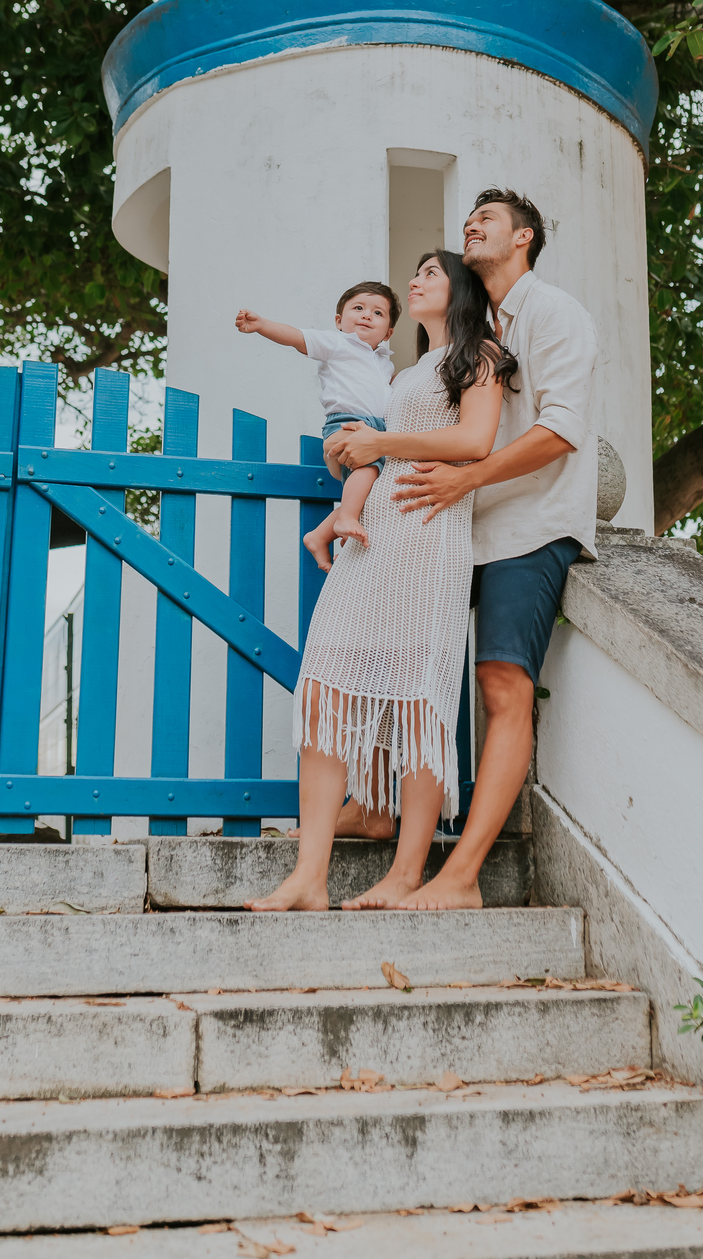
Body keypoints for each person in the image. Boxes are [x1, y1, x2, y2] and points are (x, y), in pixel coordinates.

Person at [328, 188, 598, 911]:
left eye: (489, 220)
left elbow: (562, 429)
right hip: (453, 526)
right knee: (398, 659)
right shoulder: (466, 334)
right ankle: (374, 801)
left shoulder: (553, 314)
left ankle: (462, 875)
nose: (471, 226)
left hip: (527, 524)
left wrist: (467, 478)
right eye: (468, 219)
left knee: (502, 685)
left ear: (525, 238)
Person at [245, 250, 514, 912]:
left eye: (430, 271)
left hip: (429, 530)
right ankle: (309, 876)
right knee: (327, 688)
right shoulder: (407, 368)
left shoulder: (478, 353)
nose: (416, 279)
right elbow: (379, 439)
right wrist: (359, 445)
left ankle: (404, 876)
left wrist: (380, 444)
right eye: (416, 271)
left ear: (457, 290)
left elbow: (476, 441)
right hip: (378, 533)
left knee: (419, 701)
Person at [235, 281, 401, 572]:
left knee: (371, 490)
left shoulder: (384, 362)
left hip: (376, 431)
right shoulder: (338, 343)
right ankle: (346, 519)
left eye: (377, 313)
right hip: (346, 423)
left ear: (388, 332)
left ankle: (319, 535)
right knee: (367, 468)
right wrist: (262, 325)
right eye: (358, 308)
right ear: (339, 321)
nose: (366, 315)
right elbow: (296, 337)